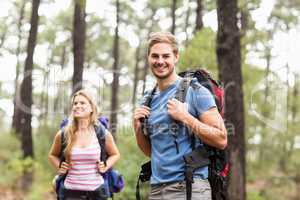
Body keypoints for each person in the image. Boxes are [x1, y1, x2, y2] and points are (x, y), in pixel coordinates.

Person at [133, 31, 227, 200]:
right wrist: (138, 129)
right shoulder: (147, 99)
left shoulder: (196, 91)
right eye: (155, 56)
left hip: (190, 187)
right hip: (156, 189)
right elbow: (152, 152)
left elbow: (221, 139)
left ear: (176, 57)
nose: (160, 61)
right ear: (148, 58)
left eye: (165, 56)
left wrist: (186, 117)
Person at [49, 89, 120, 200]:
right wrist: (59, 166)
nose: (77, 106)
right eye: (75, 103)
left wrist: (105, 166)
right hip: (69, 193)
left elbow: (115, 154)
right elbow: (52, 155)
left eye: (82, 103)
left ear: (92, 108)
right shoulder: (63, 134)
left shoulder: (102, 133)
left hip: (97, 193)